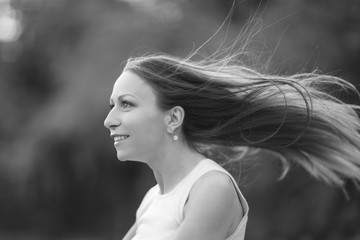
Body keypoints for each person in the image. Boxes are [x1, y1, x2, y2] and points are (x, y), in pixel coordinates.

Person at [103, 45, 360, 239]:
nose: (109, 120)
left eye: (126, 104)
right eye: (113, 105)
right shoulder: (153, 199)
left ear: (173, 118)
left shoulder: (211, 189)